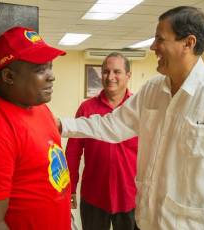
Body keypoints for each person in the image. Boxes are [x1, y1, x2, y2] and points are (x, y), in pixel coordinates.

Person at [59, 6, 204, 230]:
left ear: (188, 43)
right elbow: (112, 124)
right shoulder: (153, 89)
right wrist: (59, 125)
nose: (153, 46)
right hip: (149, 221)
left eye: (160, 39)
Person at [0, 26, 71, 230]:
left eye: (50, 66)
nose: (51, 76)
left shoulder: (39, 108)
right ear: (9, 76)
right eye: (40, 70)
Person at [65, 52, 139, 230]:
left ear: (128, 76)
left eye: (116, 72)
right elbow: (73, 152)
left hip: (131, 196)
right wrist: (70, 188)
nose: (110, 77)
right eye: (105, 72)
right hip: (95, 196)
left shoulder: (137, 108)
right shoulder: (87, 108)